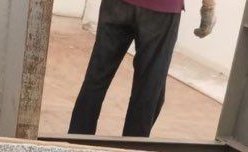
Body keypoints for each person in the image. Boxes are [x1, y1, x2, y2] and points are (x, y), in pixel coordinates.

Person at [69, 0, 215, 138]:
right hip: (161, 10)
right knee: (148, 89)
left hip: (117, 4)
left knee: (96, 77)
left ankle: (76, 144)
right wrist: (208, 7)